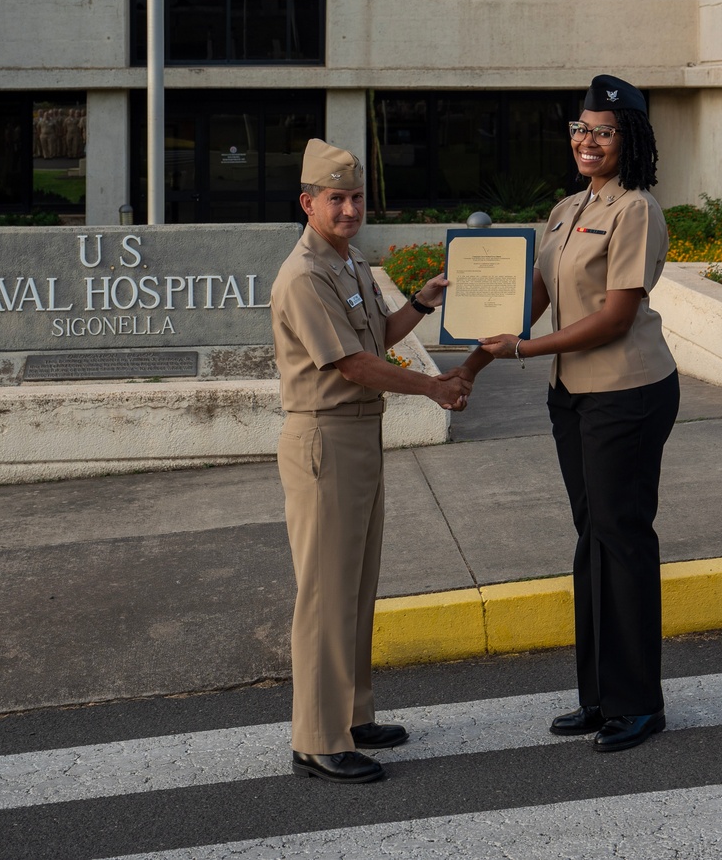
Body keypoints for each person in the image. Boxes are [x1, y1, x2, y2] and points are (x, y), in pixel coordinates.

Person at [458, 75, 679, 754]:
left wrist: (522, 347)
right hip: (573, 394)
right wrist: (468, 360)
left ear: (630, 139)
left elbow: (613, 319)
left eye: (603, 131)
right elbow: (535, 294)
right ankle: (598, 697)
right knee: (593, 539)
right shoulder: (566, 207)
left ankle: (639, 703)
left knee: (623, 538)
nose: (587, 141)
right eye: (580, 129)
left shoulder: (635, 209)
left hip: (627, 392)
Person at [270, 138, 469, 784]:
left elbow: (375, 337)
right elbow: (352, 365)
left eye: (356, 198)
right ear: (308, 202)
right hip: (325, 437)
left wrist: (421, 302)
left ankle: (351, 716)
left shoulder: (346, 265)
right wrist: (433, 388)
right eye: (337, 199)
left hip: (358, 437)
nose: (350, 208)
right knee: (325, 593)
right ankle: (317, 738)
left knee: (354, 587)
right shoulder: (303, 275)